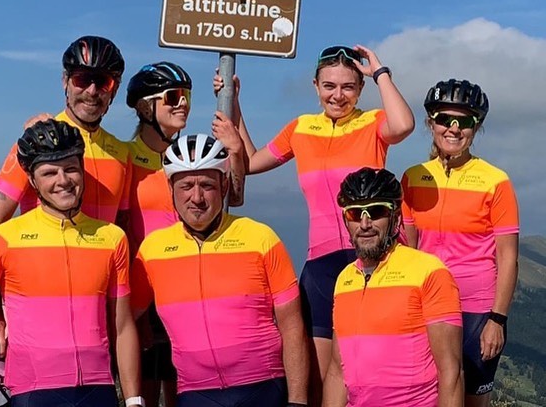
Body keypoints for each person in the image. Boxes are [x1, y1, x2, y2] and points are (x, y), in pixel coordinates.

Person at [215, 44, 415, 404]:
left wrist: (379, 72)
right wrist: (236, 103)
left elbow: (404, 124)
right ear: (315, 86)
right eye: (329, 86)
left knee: (368, 367)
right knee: (319, 380)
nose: (338, 95)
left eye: (348, 87)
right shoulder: (301, 128)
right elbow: (250, 163)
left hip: (373, 260)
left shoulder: (372, 123)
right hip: (321, 264)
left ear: (360, 89)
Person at [0, 119, 142, 407]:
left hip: (97, 390)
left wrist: (134, 400)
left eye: (71, 169)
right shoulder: (3, 239)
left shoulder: (112, 238)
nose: (63, 180)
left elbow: (122, 326)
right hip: (33, 393)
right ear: (32, 180)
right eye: (49, 172)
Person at [131, 134, 309, 407]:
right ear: (171, 188)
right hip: (195, 394)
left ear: (224, 184)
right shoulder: (151, 251)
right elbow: (124, 321)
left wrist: (298, 400)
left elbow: (292, 325)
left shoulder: (260, 238)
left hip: (263, 387)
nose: (197, 197)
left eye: (207, 185)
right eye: (186, 185)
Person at [125, 62, 247, 407]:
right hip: (145, 287)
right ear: (146, 107)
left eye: (187, 96)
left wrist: (235, 149)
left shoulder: (191, 156)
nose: (183, 104)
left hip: (192, 283)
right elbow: (118, 225)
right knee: (145, 390)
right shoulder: (124, 157)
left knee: (186, 388)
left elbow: (233, 197)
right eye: (173, 97)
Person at [402, 79, 519, 407]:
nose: (453, 129)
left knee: (472, 400)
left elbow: (508, 258)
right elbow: (408, 252)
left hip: (477, 309)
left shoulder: (495, 181)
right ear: (431, 123)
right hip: (427, 307)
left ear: (475, 127)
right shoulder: (412, 177)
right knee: (428, 395)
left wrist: (497, 319)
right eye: (444, 120)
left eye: (464, 121)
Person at [323, 167, 463, 407]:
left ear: (396, 218)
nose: (364, 223)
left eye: (376, 211)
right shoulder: (345, 280)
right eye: (355, 214)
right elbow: (337, 372)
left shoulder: (428, 271)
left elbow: (451, 372)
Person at [0, 35, 131, 240]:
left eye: (104, 82)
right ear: (65, 82)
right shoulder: (36, 141)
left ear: (115, 89)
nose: (92, 91)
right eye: (82, 79)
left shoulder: (122, 153)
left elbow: (121, 233)